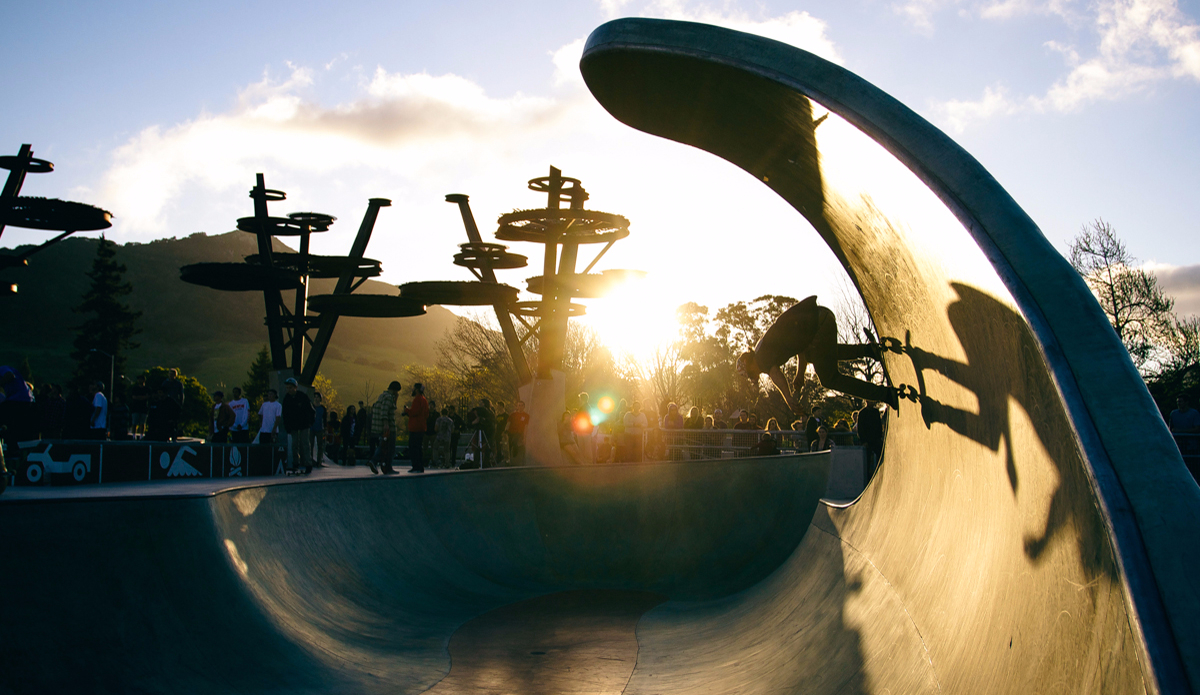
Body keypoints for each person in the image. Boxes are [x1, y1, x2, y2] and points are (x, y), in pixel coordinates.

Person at [736, 296, 898, 411]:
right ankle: (869, 351)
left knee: (829, 379)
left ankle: (884, 394)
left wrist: (788, 398)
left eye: (751, 373)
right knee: (817, 355)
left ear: (749, 363)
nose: (757, 374)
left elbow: (774, 373)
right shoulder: (766, 348)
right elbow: (801, 348)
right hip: (820, 317)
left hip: (818, 325)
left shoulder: (761, 358)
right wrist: (800, 374)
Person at [281, 378, 315, 474]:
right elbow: (285, 414)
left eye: (291, 388)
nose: (289, 390)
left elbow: (311, 410)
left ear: (295, 387)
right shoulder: (286, 399)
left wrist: (310, 422)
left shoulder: (302, 396)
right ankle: (296, 463)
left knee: (305, 443)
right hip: (293, 425)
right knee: (294, 444)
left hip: (304, 424)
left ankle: (308, 463)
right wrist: (287, 426)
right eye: (287, 388)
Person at [369, 381, 401, 475]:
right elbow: (384, 410)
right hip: (389, 427)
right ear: (395, 390)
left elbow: (392, 408)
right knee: (390, 448)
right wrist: (386, 424)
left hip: (378, 426)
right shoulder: (388, 397)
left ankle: (377, 463)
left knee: (383, 445)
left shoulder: (382, 395)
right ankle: (385, 466)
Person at [402, 383, 429, 473]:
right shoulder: (424, 400)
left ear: (417, 389)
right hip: (421, 427)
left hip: (415, 428)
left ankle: (416, 466)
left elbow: (414, 412)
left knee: (413, 447)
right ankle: (420, 466)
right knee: (418, 448)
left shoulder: (417, 399)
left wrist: (406, 410)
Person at [856, 402, 884, 485]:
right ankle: (867, 480)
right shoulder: (862, 413)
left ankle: (881, 475)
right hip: (867, 440)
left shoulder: (875, 412)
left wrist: (879, 436)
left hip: (876, 439)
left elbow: (879, 425)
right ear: (866, 402)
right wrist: (863, 441)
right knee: (867, 461)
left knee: (881, 456)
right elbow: (860, 428)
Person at [506, 401, 530, 465]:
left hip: (519, 432)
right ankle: (511, 460)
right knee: (510, 445)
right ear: (517, 406)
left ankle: (516, 453)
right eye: (519, 405)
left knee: (515, 441)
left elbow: (526, 426)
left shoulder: (526, 416)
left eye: (522, 405)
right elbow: (508, 423)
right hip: (511, 432)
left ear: (524, 407)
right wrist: (506, 430)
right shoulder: (513, 415)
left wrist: (524, 437)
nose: (520, 407)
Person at [128, 374, 150, 439]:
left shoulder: (147, 388)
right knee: (134, 423)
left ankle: (141, 435)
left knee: (142, 423)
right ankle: (134, 435)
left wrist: (139, 397)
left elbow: (148, 397)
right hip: (135, 408)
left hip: (143, 408)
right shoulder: (135, 388)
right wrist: (143, 397)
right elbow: (133, 397)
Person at [311, 392, 327, 466]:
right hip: (311, 428)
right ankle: (310, 460)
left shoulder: (323, 408)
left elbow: (325, 419)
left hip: (320, 428)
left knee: (320, 445)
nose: (316, 399)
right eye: (315, 397)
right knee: (310, 445)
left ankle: (319, 460)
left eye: (318, 397)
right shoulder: (311, 407)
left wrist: (325, 429)